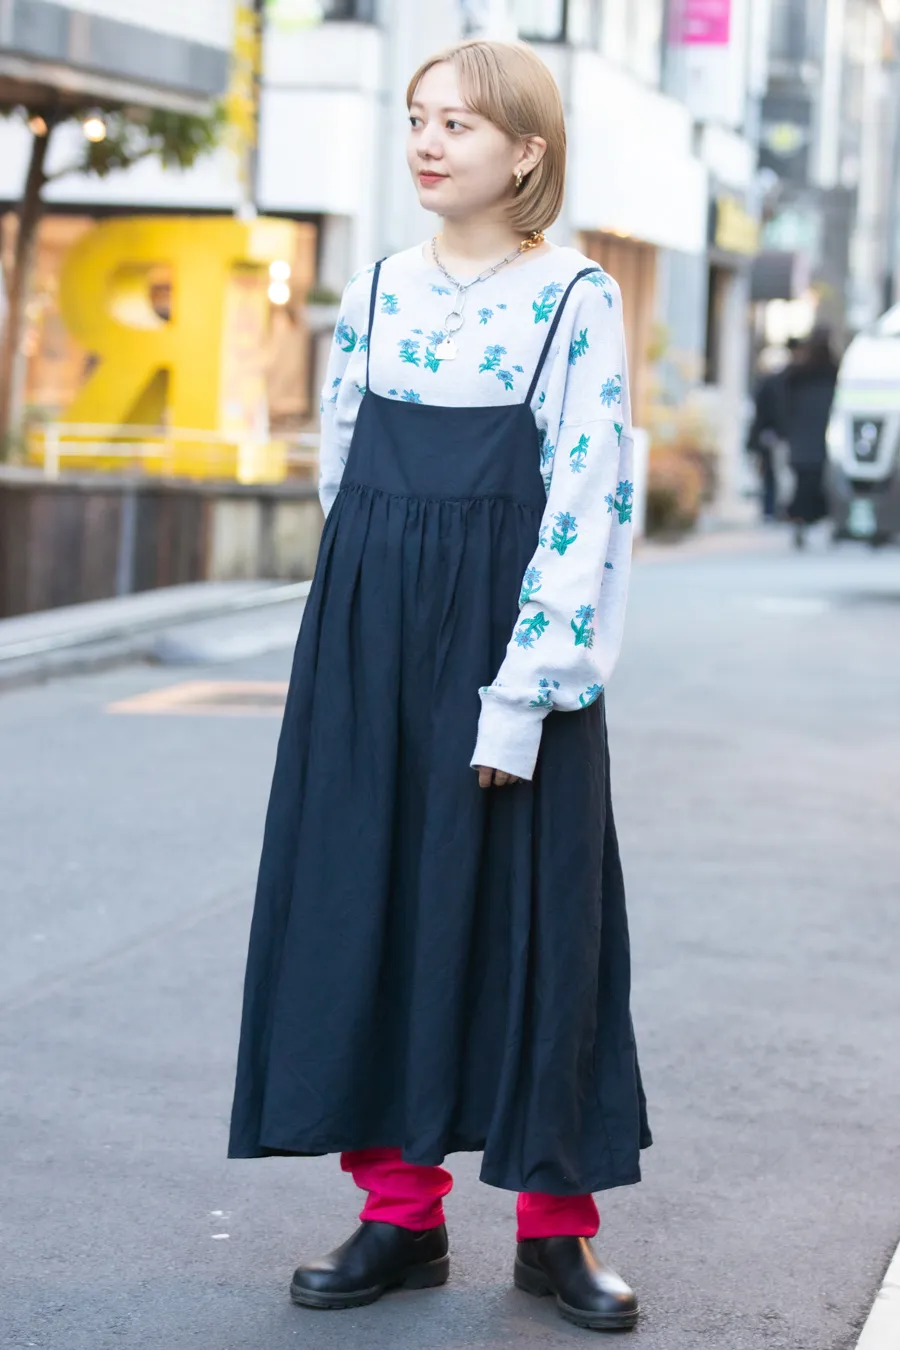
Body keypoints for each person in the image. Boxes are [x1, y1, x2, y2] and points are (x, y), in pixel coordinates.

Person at [228, 38, 651, 1334]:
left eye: (457, 123)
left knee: (538, 921)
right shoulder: (377, 285)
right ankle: (399, 1214)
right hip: (370, 645)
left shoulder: (573, 297)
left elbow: (589, 499)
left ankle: (555, 1228)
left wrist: (524, 689)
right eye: (418, 117)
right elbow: (340, 465)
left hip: (507, 645)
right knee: (368, 901)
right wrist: (367, 619)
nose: (426, 140)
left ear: (525, 152)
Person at [782, 327, 838, 547]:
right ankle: (818, 522)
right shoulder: (832, 371)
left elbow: (784, 404)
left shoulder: (797, 374)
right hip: (820, 434)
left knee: (804, 482)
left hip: (803, 436)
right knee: (818, 482)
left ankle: (801, 521)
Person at [746, 338, 799, 522]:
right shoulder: (782, 383)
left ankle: (774, 509)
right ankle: (774, 509)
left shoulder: (779, 383)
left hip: (775, 435)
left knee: (776, 475)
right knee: (776, 474)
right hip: (777, 436)